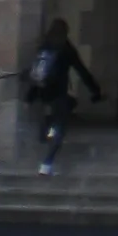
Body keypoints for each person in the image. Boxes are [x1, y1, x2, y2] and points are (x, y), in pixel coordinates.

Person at [25, 16, 102, 175]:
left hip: (42, 92)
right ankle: (47, 164)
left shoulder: (44, 46)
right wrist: (95, 91)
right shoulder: (66, 48)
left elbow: (36, 71)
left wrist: (30, 95)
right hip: (59, 93)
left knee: (53, 118)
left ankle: (48, 131)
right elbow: (82, 72)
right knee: (61, 125)